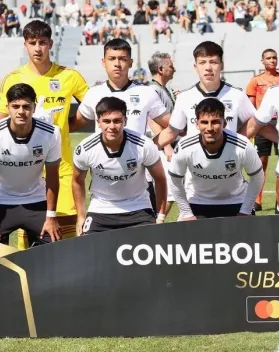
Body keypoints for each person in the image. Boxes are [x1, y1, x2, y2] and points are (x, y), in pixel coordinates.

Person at [0, 20, 89, 249]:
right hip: (22, 170)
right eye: (32, 43)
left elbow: (92, 109)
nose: (37, 48)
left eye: (42, 43)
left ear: (50, 44)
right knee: (27, 239)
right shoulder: (13, 79)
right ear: (25, 45)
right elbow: (2, 119)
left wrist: (68, 126)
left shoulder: (69, 77)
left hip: (61, 167)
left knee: (63, 234)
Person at [72, 97, 167, 235]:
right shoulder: (85, 149)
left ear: (125, 121)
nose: (112, 126)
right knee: (89, 251)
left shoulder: (143, 145)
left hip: (138, 207)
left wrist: (161, 216)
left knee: (149, 249)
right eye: (106, 121)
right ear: (98, 122)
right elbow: (77, 180)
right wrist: (80, 217)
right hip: (101, 208)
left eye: (117, 121)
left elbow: (160, 178)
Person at [156, 41, 272, 148]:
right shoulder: (184, 97)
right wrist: (145, 148)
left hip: (229, 167)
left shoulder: (237, 95)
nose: (208, 68)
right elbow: (171, 132)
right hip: (195, 168)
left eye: (213, 62)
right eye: (202, 62)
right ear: (195, 67)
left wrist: (237, 141)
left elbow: (256, 124)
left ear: (222, 65)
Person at [168, 98, 264, 219]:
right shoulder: (184, 146)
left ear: (224, 122)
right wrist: (186, 213)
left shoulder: (242, 145)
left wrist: (246, 210)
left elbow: (257, 176)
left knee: (245, 238)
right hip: (198, 202)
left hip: (236, 201)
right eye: (204, 122)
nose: (209, 128)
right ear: (196, 124)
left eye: (215, 122)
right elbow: (174, 180)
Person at [0, 84, 62, 246]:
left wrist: (51, 216)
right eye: (15, 106)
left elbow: (53, 176)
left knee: (53, 240)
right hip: (2, 200)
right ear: (8, 108)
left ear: (34, 108)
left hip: (36, 200)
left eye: (26, 106)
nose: (21, 111)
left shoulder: (51, 133)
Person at [74, 39, 170, 135]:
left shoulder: (146, 92)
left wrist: (151, 146)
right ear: (103, 62)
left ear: (130, 63)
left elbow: (174, 127)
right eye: (112, 59)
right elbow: (73, 124)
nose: (117, 64)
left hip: (136, 151)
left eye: (122, 59)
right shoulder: (93, 93)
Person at [246, 49, 279, 211]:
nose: (272, 60)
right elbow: (250, 106)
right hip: (263, 125)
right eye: (268, 58)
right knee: (260, 163)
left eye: (274, 58)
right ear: (262, 61)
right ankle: (257, 200)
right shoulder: (255, 81)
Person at [147, 51, 177, 216]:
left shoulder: (163, 89)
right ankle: (156, 222)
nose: (174, 69)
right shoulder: (153, 90)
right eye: (171, 66)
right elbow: (152, 120)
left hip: (167, 145)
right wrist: (167, 146)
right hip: (162, 148)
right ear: (160, 69)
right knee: (170, 191)